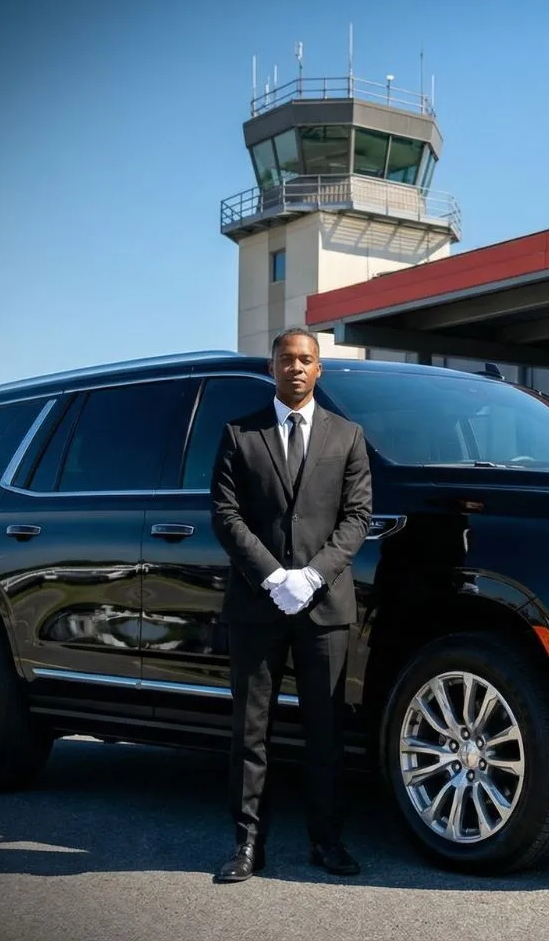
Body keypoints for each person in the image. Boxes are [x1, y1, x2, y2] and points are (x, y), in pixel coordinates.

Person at [209, 327, 372, 882]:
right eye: (286, 359)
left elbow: (356, 519)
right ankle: (247, 846)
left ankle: (327, 842)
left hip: (325, 608)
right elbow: (225, 515)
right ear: (271, 367)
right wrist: (273, 576)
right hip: (258, 605)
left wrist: (311, 577)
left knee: (325, 734)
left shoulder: (348, 437)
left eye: (306, 360)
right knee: (251, 732)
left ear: (319, 369)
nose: (296, 367)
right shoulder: (239, 434)